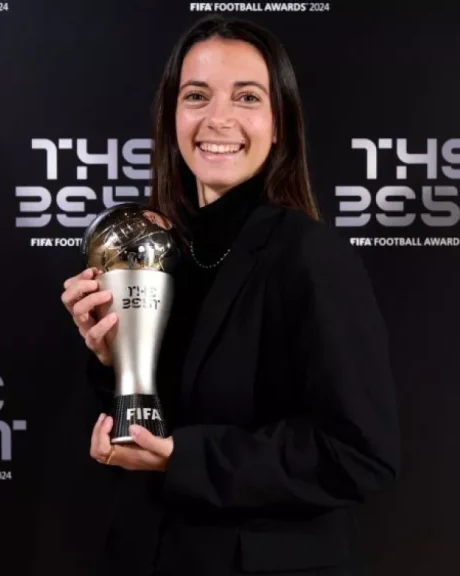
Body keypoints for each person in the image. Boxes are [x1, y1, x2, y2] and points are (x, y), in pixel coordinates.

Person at [60, 15, 400, 576]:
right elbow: (155, 422)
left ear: (279, 123)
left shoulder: (309, 254)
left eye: (247, 97)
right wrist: (112, 358)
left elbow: (360, 454)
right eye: (197, 96)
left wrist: (184, 457)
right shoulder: (163, 254)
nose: (218, 119)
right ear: (172, 117)